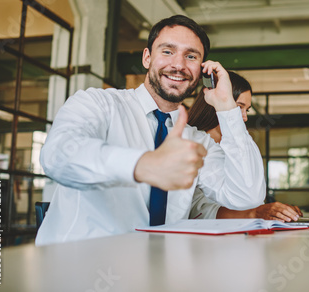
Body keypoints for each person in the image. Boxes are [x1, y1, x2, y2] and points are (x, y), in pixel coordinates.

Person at [36, 15, 265, 245]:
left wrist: (227, 108)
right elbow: (57, 155)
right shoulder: (98, 103)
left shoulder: (197, 141)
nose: (178, 65)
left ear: (203, 70)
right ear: (147, 58)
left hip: (156, 271)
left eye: (191, 56)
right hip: (77, 268)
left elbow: (246, 196)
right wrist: (142, 165)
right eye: (167, 51)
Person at [188, 71, 302, 222]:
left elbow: (253, 197)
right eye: (238, 107)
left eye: (246, 109)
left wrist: (276, 211)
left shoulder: (241, 144)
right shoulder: (192, 144)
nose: (244, 117)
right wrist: (254, 213)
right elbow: (199, 211)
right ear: (216, 102)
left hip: (248, 233)